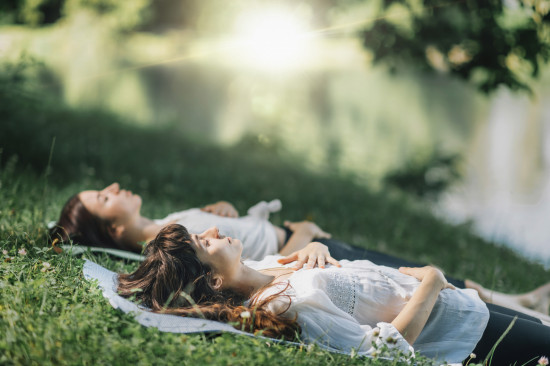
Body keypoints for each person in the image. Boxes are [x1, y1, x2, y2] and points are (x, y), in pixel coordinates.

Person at [50, 182, 550, 318]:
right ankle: (522, 304)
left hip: (311, 252)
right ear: (111, 229)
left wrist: (224, 209)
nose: (113, 187)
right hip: (312, 249)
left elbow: (241, 250)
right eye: (103, 197)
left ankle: (520, 303)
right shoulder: (177, 246)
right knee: (427, 284)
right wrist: (306, 236)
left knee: (424, 282)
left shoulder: (172, 227)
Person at [117, 224, 550, 365]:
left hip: (462, 305)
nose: (213, 232)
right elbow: (384, 353)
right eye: (203, 243)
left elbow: (325, 272)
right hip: (467, 332)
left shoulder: (264, 269)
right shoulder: (283, 305)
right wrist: (433, 281)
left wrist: (316, 247)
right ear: (212, 282)